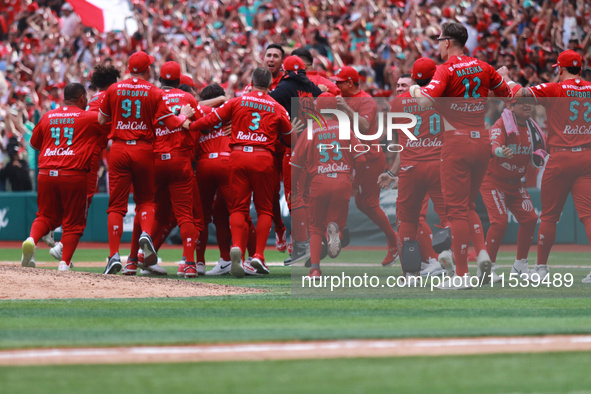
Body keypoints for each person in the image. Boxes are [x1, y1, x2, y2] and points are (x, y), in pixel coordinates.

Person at [410, 22, 511, 289]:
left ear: (446, 42)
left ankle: (461, 276)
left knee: (456, 211)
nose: (438, 46)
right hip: (482, 142)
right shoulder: (484, 66)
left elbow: (424, 101)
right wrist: (504, 76)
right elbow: (507, 93)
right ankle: (484, 255)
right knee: (467, 207)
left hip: (456, 144)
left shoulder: (445, 69)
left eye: (439, 41)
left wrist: (413, 89)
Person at [187, 67, 292, 278]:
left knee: (237, 208)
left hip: (236, 156)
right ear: (271, 84)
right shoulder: (277, 107)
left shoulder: (236, 101)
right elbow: (290, 140)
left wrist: (189, 124)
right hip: (263, 157)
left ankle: (236, 246)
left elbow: (210, 120)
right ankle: (258, 257)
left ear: (251, 82)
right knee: (264, 210)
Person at [98, 51, 194, 275]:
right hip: (143, 149)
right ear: (148, 70)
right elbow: (170, 122)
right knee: (146, 201)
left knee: (116, 206)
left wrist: (121, 120)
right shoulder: (154, 91)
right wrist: (183, 116)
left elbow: (102, 119)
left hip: (119, 148)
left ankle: (113, 256)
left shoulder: (114, 89)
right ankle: (146, 235)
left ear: (129, 68)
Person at [505, 50, 591, 283]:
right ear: (580, 70)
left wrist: (508, 79)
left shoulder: (555, 89)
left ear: (560, 69)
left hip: (561, 158)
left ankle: (541, 268)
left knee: (550, 216)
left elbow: (521, 94)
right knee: (588, 215)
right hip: (586, 157)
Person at [21, 83, 105, 271]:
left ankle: (31, 240)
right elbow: (107, 125)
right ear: (82, 98)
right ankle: (64, 263)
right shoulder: (88, 117)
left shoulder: (48, 116)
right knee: (73, 223)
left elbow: (34, 144)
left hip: (46, 173)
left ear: (63, 98)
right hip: (72, 174)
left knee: (44, 216)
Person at [136, 61, 201, 278]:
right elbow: (200, 123)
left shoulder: (150, 95)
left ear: (160, 78)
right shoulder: (187, 98)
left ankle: (133, 260)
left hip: (154, 160)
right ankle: (190, 264)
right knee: (185, 215)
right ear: (178, 79)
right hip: (179, 160)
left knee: (148, 209)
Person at [290, 93, 365, 277]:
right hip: (342, 181)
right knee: (337, 224)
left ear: (317, 109)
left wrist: (293, 189)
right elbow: (361, 159)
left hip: (319, 181)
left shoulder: (311, 130)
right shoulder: (345, 129)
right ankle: (336, 235)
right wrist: (355, 183)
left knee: (315, 228)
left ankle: (315, 269)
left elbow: (295, 164)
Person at [331, 66, 400, 267]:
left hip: (369, 158)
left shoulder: (366, 100)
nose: (336, 84)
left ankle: (394, 241)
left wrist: (344, 107)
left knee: (367, 203)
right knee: (354, 200)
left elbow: (362, 126)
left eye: (339, 81)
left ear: (350, 83)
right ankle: (339, 233)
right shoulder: (339, 96)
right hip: (351, 157)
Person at [387, 58, 447, 280]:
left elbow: (398, 138)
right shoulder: (441, 98)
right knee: (450, 216)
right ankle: (449, 259)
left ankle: (410, 272)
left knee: (407, 220)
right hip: (438, 163)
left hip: (411, 167)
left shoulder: (397, 103)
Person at [481, 84, 546, 281]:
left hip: (516, 183)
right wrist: (500, 151)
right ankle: (487, 269)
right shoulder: (502, 124)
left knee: (530, 219)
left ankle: (520, 266)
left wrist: (541, 154)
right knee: (499, 222)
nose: (527, 106)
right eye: (522, 103)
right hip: (493, 181)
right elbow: (493, 144)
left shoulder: (534, 128)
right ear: (511, 106)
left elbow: (544, 147)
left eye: (529, 102)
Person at [269, 55, 323, 264]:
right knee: (309, 197)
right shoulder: (311, 86)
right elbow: (323, 99)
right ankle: (316, 240)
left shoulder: (286, 86)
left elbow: (266, 104)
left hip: (296, 148)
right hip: (314, 148)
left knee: (295, 197)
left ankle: (301, 244)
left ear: (285, 70)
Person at [193, 84, 233, 276]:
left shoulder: (201, 109)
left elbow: (195, 105)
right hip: (228, 162)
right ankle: (250, 258)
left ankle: (199, 261)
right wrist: (224, 100)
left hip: (204, 164)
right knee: (238, 213)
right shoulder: (232, 109)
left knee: (201, 217)